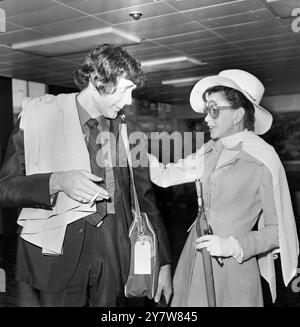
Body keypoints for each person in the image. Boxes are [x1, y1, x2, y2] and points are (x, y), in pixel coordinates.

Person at [0, 44, 172, 307]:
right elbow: (5, 188)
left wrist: (163, 264)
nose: (128, 101)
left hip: (116, 254)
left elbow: (146, 202)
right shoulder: (36, 119)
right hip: (56, 253)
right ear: (96, 80)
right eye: (125, 89)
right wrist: (56, 181)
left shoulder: (130, 130)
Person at [148, 69, 299, 306]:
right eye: (207, 110)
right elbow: (166, 176)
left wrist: (232, 245)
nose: (207, 118)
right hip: (195, 257)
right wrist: (128, 151)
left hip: (232, 268)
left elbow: (277, 231)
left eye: (214, 110)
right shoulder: (211, 149)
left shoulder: (264, 159)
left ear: (238, 114)